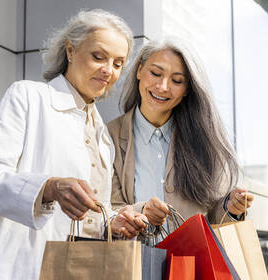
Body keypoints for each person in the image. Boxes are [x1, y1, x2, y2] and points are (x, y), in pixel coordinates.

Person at [0, 9, 145, 280]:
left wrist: (115, 221)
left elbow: (91, 215)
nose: (108, 70)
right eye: (99, 56)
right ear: (70, 49)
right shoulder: (28, 98)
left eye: (118, 63)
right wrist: (49, 187)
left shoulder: (103, 138)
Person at [108, 38, 254, 237]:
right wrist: (141, 211)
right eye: (156, 73)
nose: (163, 86)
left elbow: (213, 217)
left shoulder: (204, 140)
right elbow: (108, 208)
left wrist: (231, 208)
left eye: (177, 81)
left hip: (191, 264)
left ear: (187, 89)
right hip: (134, 262)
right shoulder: (110, 135)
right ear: (139, 70)